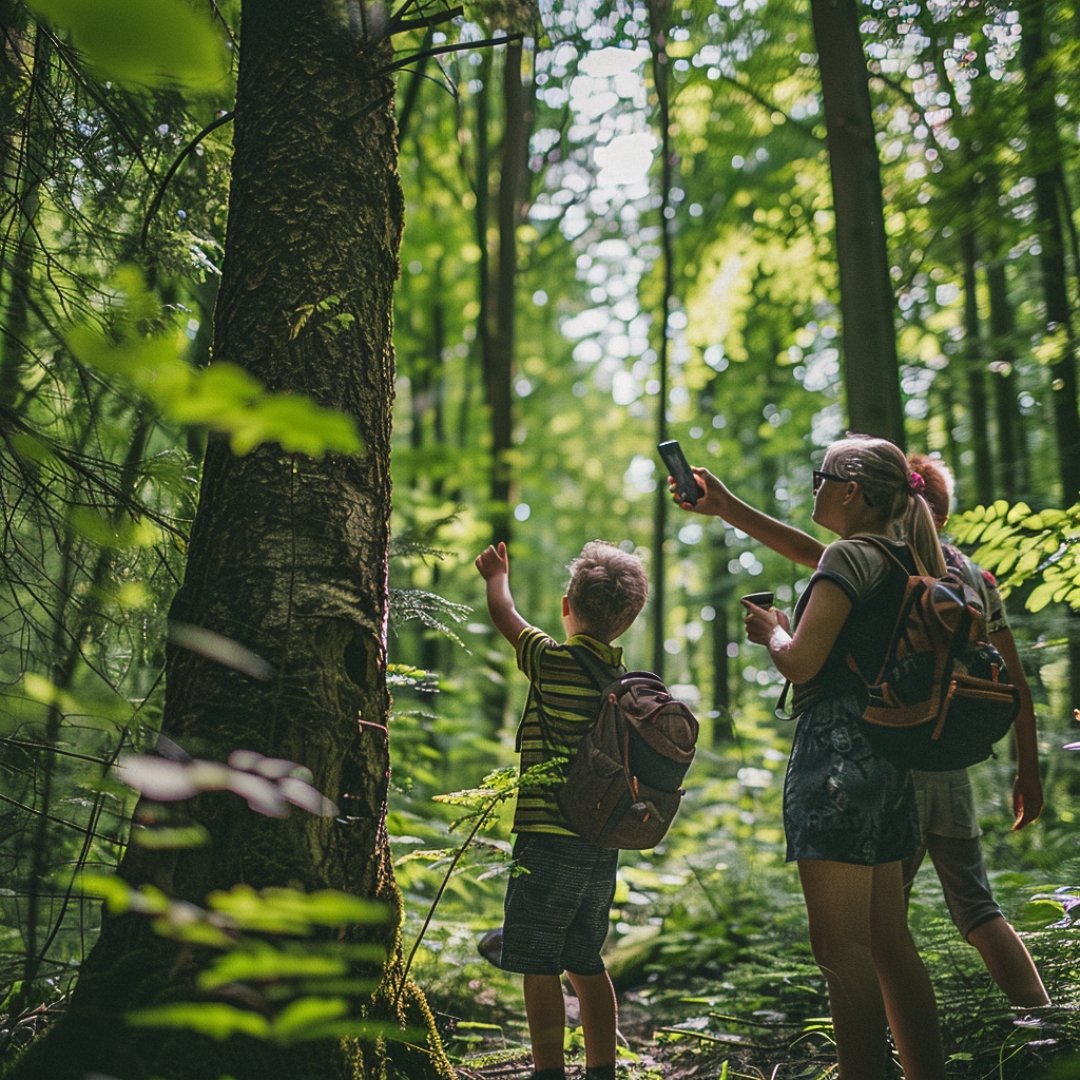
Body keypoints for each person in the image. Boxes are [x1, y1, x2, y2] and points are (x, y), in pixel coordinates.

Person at [672, 433, 947, 1080]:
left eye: (819, 476)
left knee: (839, 948)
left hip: (836, 761)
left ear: (850, 490)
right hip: (888, 760)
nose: (814, 485)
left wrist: (772, 631)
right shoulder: (895, 552)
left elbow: (800, 663)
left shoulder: (851, 555)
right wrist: (729, 507)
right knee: (887, 941)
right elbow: (807, 552)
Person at [474, 538, 649, 1080]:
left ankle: (548, 1070)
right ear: (627, 620)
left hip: (547, 839)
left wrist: (495, 576)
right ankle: (602, 1071)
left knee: (536, 961)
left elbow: (505, 613)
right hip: (601, 843)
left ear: (567, 607)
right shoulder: (625, 686)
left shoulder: (552, 662)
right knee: (585, 961)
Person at [903, 454, 1049, 1008]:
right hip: (953, 757)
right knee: (976, 905)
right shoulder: (975, 578)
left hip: (899, 757)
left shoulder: (889, 565)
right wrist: (1027, 774)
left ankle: (885, 1048)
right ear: (943, 513)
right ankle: (1045, 1024)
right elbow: (1015, 685)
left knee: (880, 922)